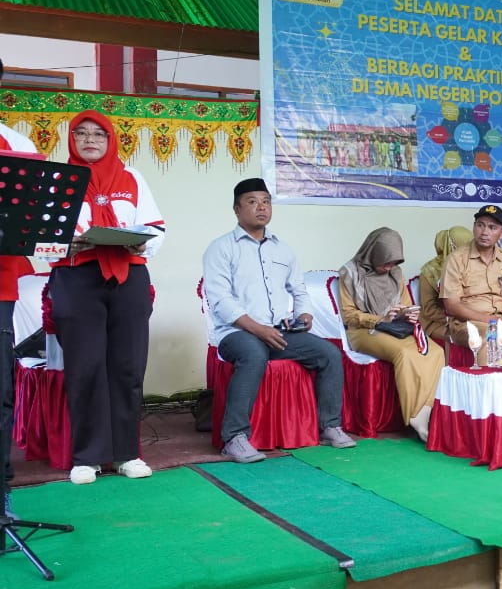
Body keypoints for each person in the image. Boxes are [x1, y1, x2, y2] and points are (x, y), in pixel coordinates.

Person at [48, 110, 166, 484]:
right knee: (85, 367)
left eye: (99, 134)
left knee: (128, 366)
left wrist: (138, 241)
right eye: (81, 133)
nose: (90, 140)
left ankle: (127, 453)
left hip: (128, 276)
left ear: (111, 140)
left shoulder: (132, 177)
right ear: (71, 140)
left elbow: (156, 229)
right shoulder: (57, 180)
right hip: (76, 277)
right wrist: (68, 244)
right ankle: (87, 457)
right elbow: (41, 237)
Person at [203, 178, 354, 463]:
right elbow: (221, 301)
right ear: (236, 209)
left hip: (278, 331)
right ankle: (234, 438)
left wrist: (304, 315)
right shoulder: (221, 248)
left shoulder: (282, 249)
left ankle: (330, 426)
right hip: (236, 333)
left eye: (266, 202)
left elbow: (299, 290)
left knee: (329, 354)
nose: (261, 207)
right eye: (252, 202)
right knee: (253, 353)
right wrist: (258, 329)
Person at [338, 228, 445, 441]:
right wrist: (380, 319)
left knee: (435, 352)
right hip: (364, 331)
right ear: (373, 253)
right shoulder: (349, 273)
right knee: (404, 353)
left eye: (394, 263)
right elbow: (349, 315)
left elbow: (405, 304)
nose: (389, 268)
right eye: (385, 262)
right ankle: (417, 418)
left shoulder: (395, 273)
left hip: (397, 328)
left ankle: (432, 412)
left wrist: (408, 313)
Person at [0, 77, 38, 513]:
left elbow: (33, 222)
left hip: (0, 286)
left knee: (1, 393)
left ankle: (2, 492)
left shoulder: (17, 146)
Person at [440, 204, 502, 365]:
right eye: (480, 225)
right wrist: (491, 320)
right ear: (474, 227)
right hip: (467, 323)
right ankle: (489, 381)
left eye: (492, 227)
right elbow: (452, 306)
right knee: (492, 335)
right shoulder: (456, 259)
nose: (485, 232)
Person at [417, 226, 471, 342]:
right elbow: (429, 309)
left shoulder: (469, 266)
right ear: (452, 247)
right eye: (464, 248)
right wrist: (458, 318)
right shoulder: (430, 271)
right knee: (471, 336)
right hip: (437, 322)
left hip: (466, 318)